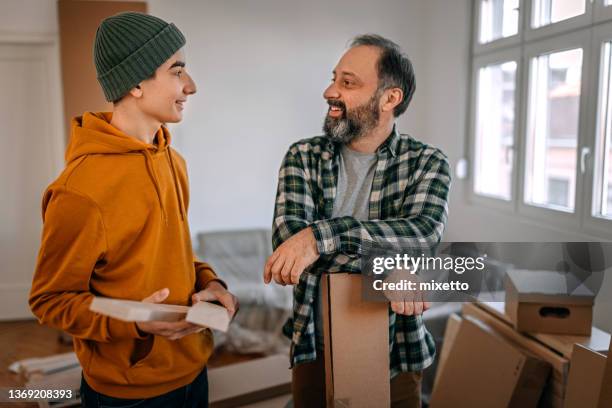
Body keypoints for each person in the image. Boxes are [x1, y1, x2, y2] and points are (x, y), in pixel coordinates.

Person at [29, 12, 237, 408]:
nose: (190, 86)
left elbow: (169, 253)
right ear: (136, 83)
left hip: (193, 370)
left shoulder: (172, 161)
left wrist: (210, 285)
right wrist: (135, 321)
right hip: (128, 393)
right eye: (177, 71)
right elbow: (50, 300)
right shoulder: (79, 191)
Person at [264, 34, 451, 407]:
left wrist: (319, 238)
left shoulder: (427, 162)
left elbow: (423, 237)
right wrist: (388, 266)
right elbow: (289, 245)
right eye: (335, 78)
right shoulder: (302, 156)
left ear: (389, 98)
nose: (330, 91)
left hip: (397, 349)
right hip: (314, 343)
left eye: (347, 83)